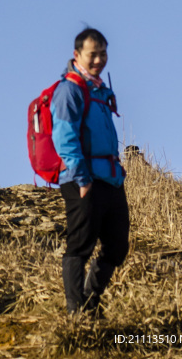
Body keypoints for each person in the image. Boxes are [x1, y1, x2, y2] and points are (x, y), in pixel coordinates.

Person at [50, 28, 128, 313]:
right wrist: (82, 178)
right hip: (82, 180)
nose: (98, 60)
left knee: (117, 246)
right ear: (77, 55)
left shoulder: (100, 91)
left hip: (110, 180)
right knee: (80, 246)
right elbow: (64, 138)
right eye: (92, 54)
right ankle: (76, 313)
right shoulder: (69, 90)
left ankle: (89, 302)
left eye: (103, 53)